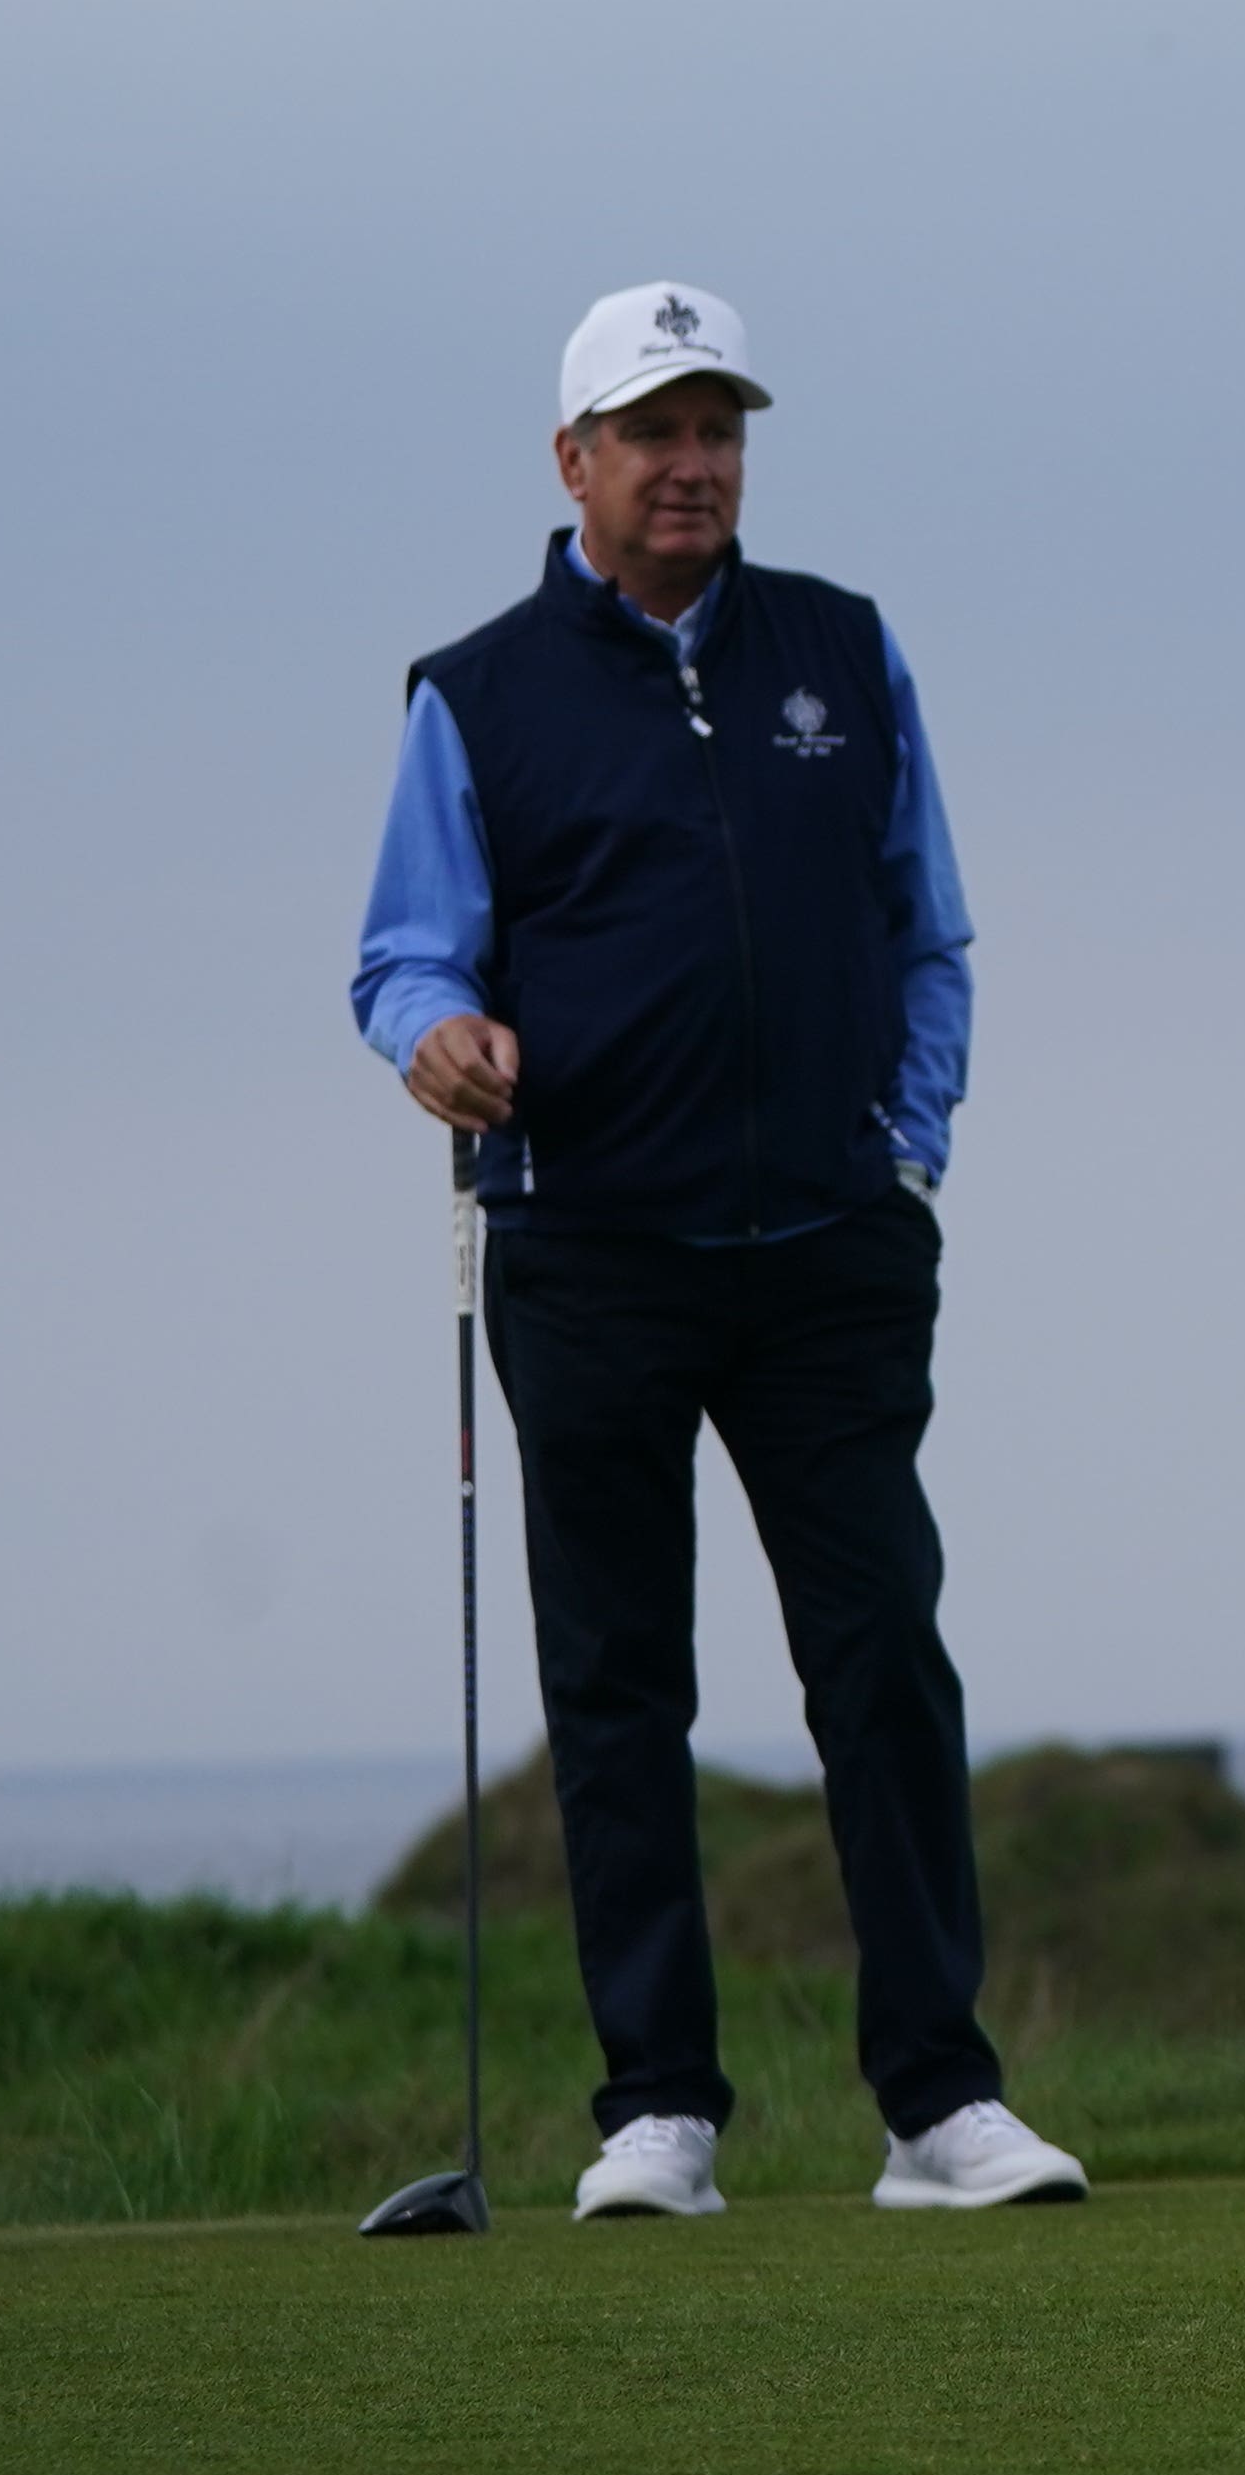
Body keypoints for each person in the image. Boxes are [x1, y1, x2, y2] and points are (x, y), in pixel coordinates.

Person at [349, 282, 1086, 2220]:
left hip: (831, 1241)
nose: (694, 464)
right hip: (588, 1244)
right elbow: (406, 946)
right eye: (655, 429)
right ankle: (657, 2106)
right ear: (574, 457)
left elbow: (929, 920)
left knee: (881, 1664)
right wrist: (432, 1030)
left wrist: (907, 1140)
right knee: (618, 1680)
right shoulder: (478, 688)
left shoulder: (837, 643)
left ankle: (939, 2101)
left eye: (720, 427)